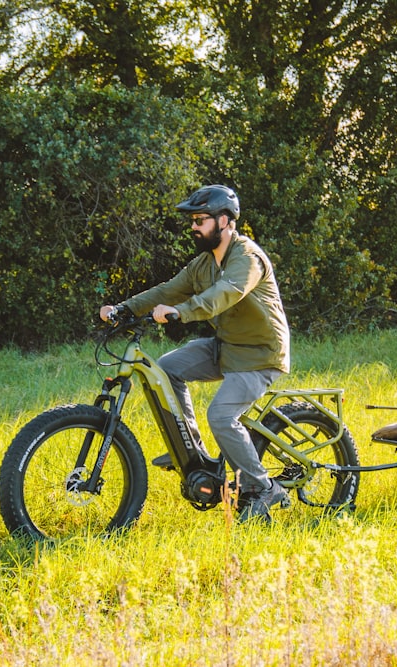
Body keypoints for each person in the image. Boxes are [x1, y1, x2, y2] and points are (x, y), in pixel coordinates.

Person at [100, 184, 291, 523]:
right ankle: (194, 455)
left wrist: (181, 312)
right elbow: (168, 289)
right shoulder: (203, 264)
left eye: (200, 220)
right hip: (227, 346)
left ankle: (262, 487)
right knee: (166, 369)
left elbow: (225, 294)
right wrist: (124, 309)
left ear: (225, 221)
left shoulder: (247, 258)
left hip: (260, 354)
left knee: (221, 415)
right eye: (193, 220)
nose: (194, 227)